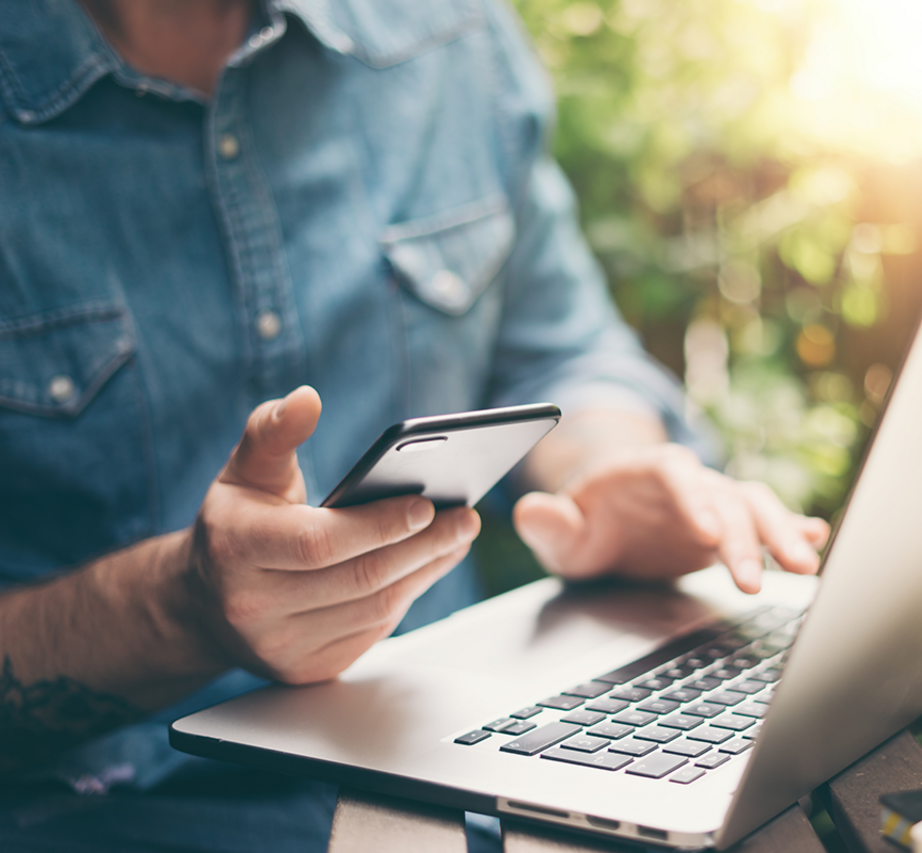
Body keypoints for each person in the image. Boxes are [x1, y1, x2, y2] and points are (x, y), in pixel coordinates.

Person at [0, 0, 828, 850]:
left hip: (468, 774)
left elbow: (562, 349)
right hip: (106, 815)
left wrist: (607, 474)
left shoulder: (452, 30)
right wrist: (180, 607)